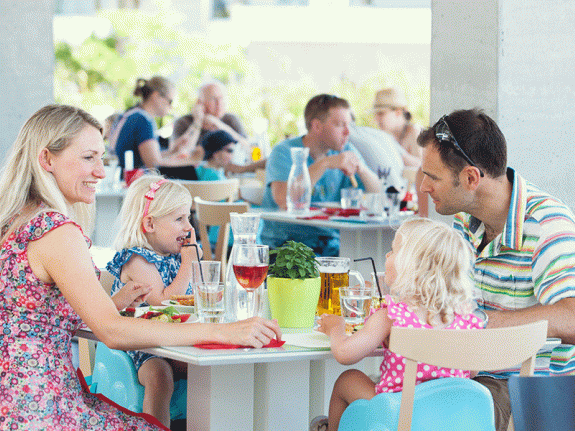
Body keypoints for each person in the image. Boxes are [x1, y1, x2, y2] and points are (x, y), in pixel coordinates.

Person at [0, 104, 282, 430]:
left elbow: (28, 315)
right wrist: (221, 331)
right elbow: (113, 332)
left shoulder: (14, 221)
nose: (101, 172)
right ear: (47, 160)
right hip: (36, 408)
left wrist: (112, 303)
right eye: (88, 158)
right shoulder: (54, 230)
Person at [417, 108, 575, 431]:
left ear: (471, 178)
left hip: (529, 394)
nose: (422, 187)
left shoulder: (546, 226)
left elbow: (572, 317)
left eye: (432, 177)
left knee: (405, 415)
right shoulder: (464, 222)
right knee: (364, 397)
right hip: (469, 380)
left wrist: (483, 324)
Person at [312, 218, 484, 431]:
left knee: (348, 379)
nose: (387, 255)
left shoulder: (392, 315)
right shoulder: (466, 319)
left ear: (411, 266)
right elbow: (473, 372)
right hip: (447, 419)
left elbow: (345, 354)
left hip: (399, 416)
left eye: (393, 251)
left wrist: (336, 328)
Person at [106, 175, 198, 427]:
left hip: (173, 341)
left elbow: (193, 296)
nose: (188, 227)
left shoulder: (174, 257)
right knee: (160, 376)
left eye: (188, 217)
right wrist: (189, 263)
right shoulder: (138, 260)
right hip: (139, 345)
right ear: (149, 223)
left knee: (207, 369)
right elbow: (162, 303)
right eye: (179, 219)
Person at [260, 94, 381, 256]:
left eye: (349, 125)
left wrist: (362, 169)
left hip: (331, 246)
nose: (347, 132)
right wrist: (324, 163)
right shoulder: (285, 151)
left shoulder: (345, 150)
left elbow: (378, 193)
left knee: (372, 258)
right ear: (317, 126)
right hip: (286, 248)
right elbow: (283, 199)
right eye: (340, 125)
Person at [109, 76, 201, 179]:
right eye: (170, 101)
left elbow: (147, 156)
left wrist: (172, 151)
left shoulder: (131, 114)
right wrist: (193, 160)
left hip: (120, 175)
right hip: (130, 180)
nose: (171, 107)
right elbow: (153, 164)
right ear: (156, 96)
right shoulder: (143, 120)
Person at [171, 80, 266, 175]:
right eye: (213, 99)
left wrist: (220, 125)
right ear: (200, 102)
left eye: (222, 98)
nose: (219, 103)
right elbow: (180, 154)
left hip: (229, 176)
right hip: (194, 176)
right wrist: (197, 121)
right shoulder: (183, 122)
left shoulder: (231, 120)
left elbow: (249, 149)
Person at [372, 87, 428, 216]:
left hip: (415, 203)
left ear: (398, 112)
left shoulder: (414, 132)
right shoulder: (386, 136)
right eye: (376, 114)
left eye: (381, 113)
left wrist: (400, 155)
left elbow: (425, 168)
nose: (377, 119)